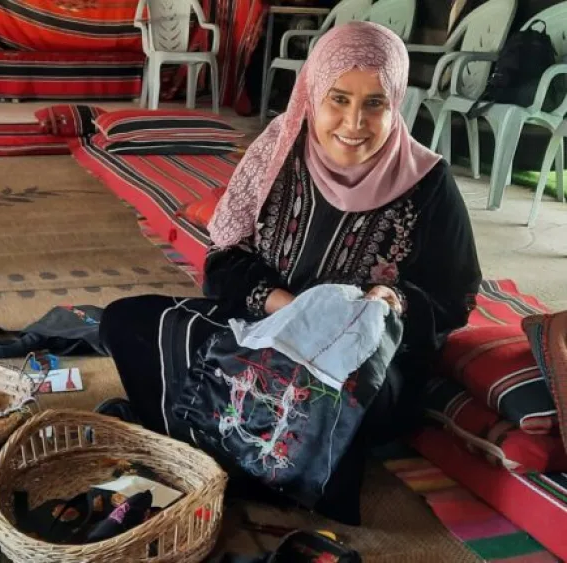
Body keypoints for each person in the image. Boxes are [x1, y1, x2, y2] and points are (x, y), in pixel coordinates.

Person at [97, 22, 482, 524]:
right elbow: (224, 261)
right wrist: (287, 307)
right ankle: (260, 462)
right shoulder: (278, 152)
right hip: (261, 328)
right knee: (125, 322)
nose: (354, 122)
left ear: (397, 105)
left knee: (354, 398)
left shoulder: (427, 182)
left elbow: (454, 298)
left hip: (345, 365)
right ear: (312, 93)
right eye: (338, 99)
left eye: (374, 104)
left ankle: (214, 448)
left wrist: (394, 300)